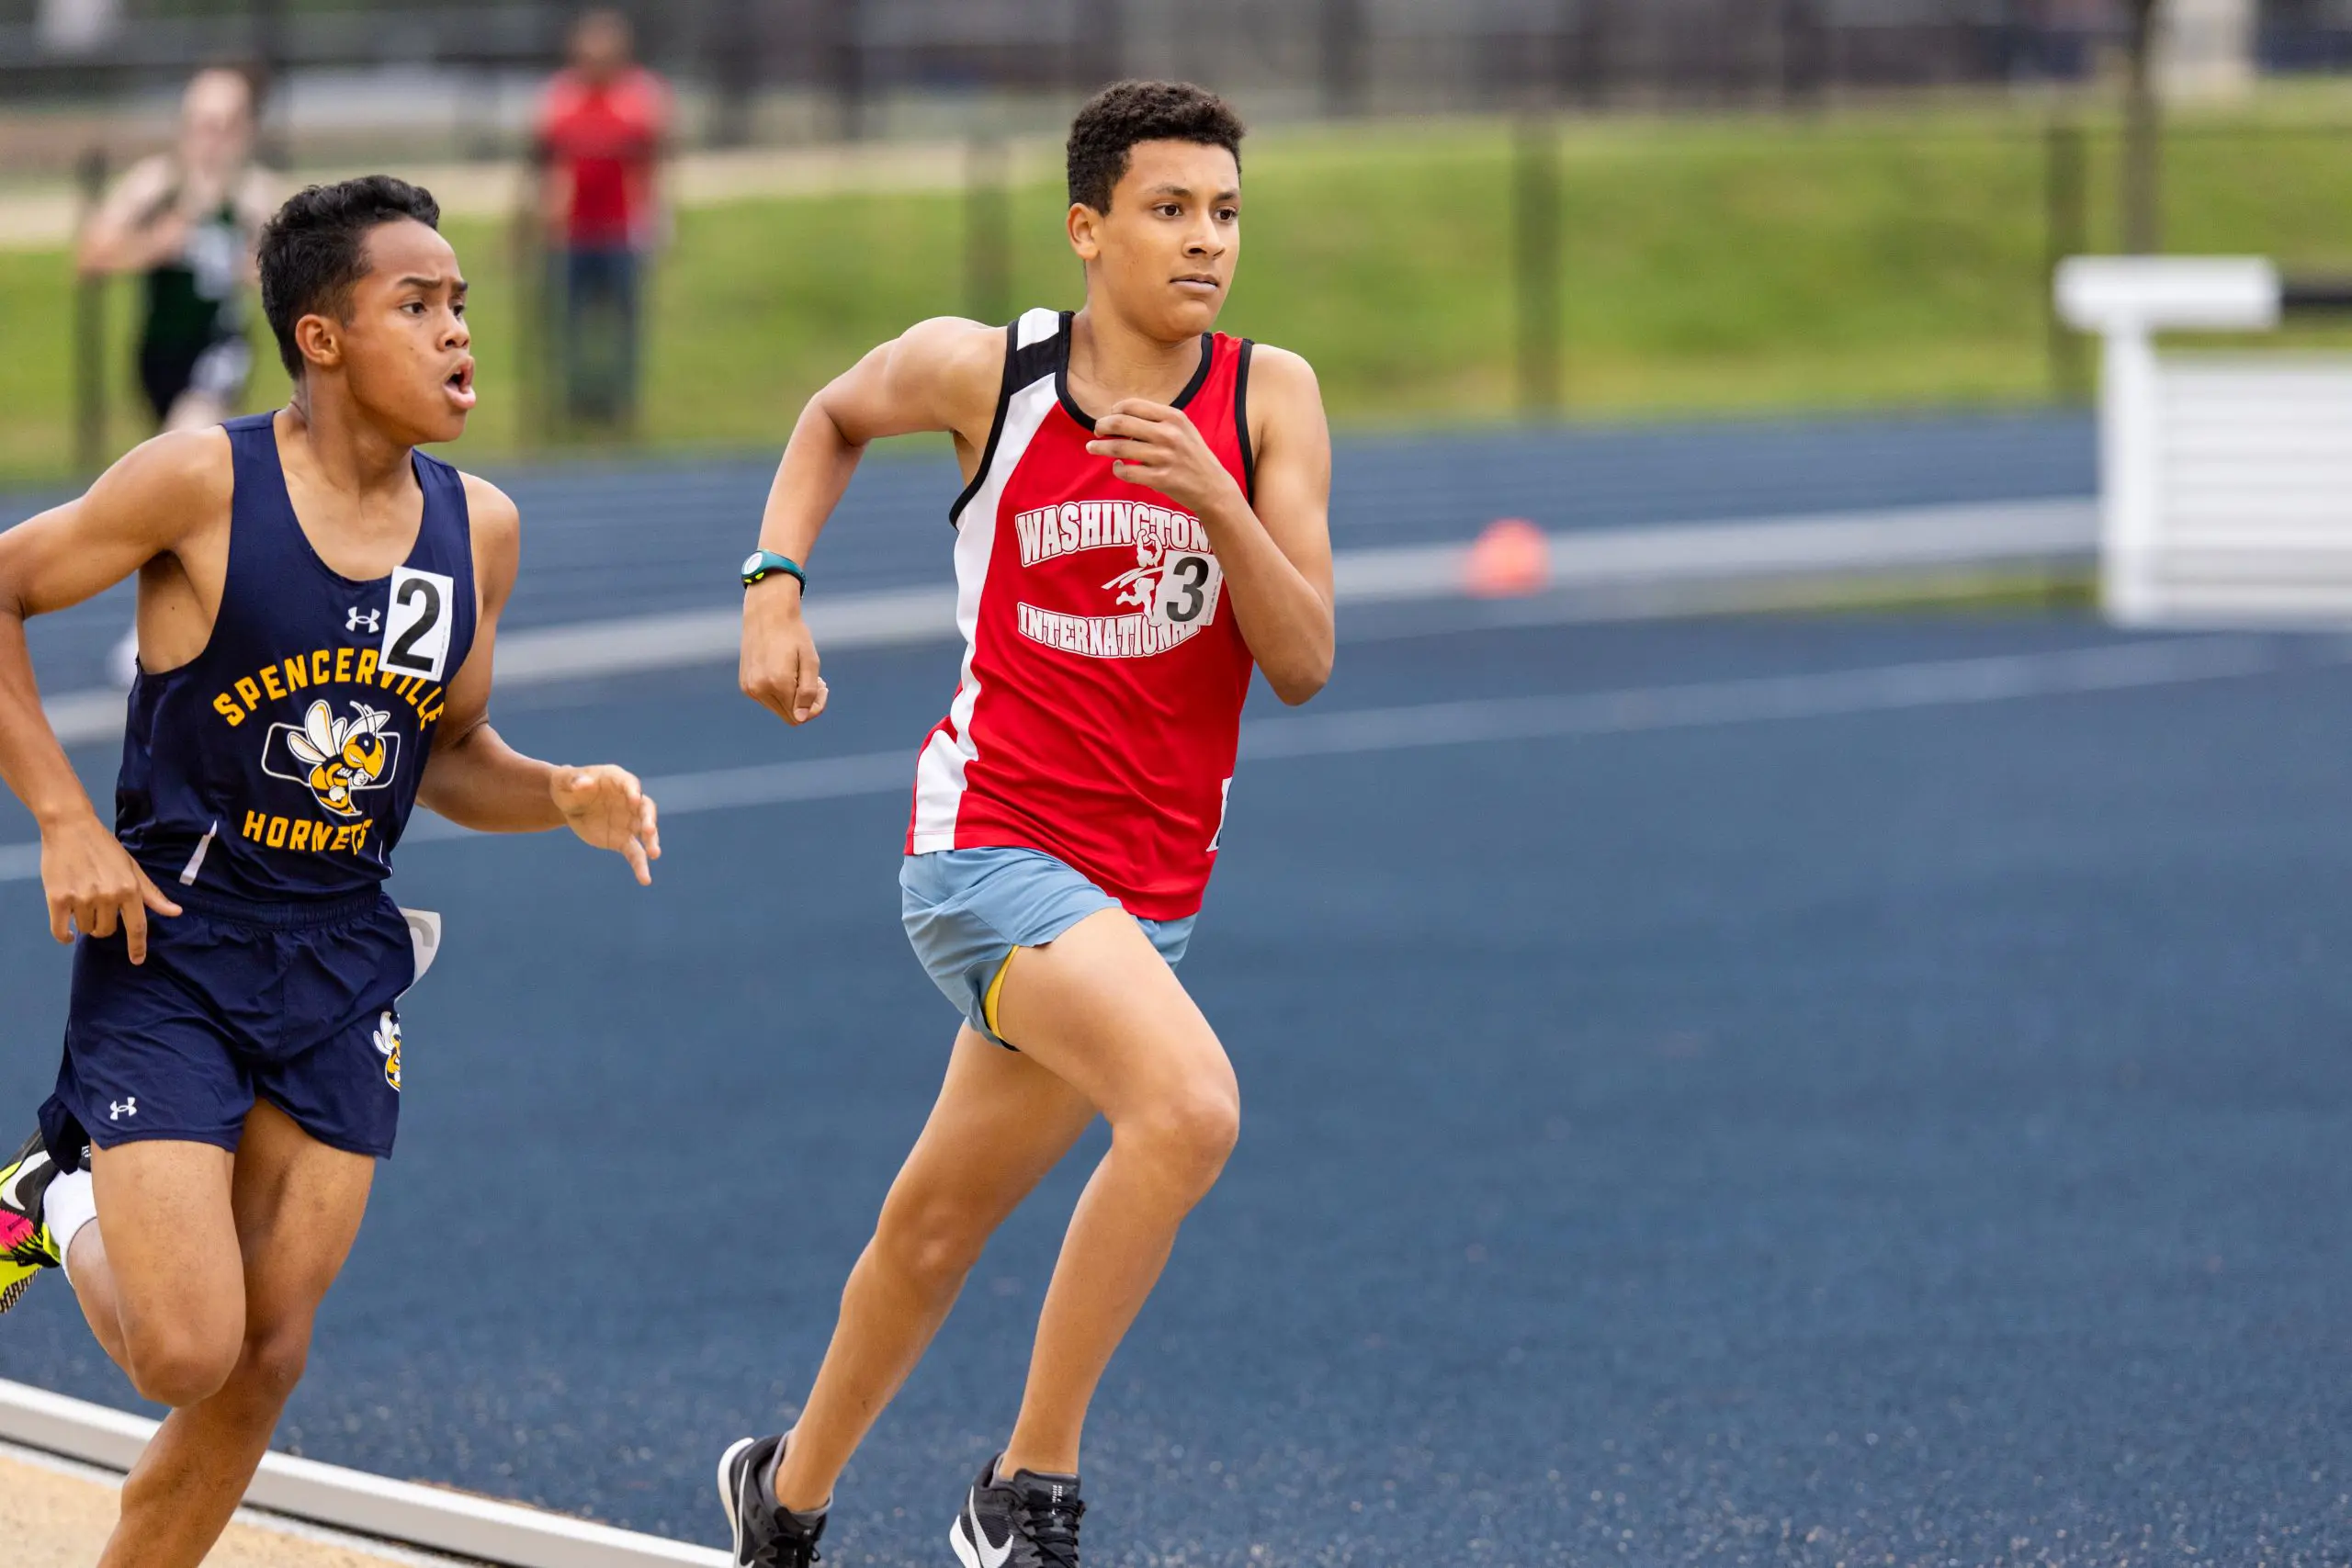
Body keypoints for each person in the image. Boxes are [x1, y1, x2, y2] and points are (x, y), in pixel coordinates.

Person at [0, 175, 661, 1568]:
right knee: (188, 1349)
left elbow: (451, 747)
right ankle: (55, 1198)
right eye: (415, 305)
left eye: (462, 304)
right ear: (321, 337)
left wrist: (562, 792)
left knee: (267, 1359)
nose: (458, 332)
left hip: (342, 955)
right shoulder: (202, 482)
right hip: (173, 942)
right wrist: (64, 815)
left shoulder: (477, 525)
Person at [724, 81, 1335, 1568]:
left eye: (1227, 213)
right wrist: (771, 582)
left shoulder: (1268, 398)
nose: (1206, 242)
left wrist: (1219, 499)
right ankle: (1026, 1487)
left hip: (1145, 891)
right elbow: (828, 415)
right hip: (987, 846)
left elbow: (1304, 658)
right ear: (1088, 228)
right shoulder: (986, 375)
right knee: (1188, 1108)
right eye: (1169, 209)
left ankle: (783, 1500)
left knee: (935, 1225)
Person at [78, 65, 279, 689]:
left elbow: (304, 273)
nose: (211, 138)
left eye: (224, 125)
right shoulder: (154, 187)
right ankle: (218, 614)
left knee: (175, 461)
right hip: (159, 356)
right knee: (201, 493)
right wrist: (153, 245)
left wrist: (262, 272)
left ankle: (151, 632)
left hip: (219, 352)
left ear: (245, 131)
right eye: (200, 124)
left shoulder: (255, 196)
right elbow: (90, 255)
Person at [535, 8, 670, 430]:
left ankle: (622, 405)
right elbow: (548, 166)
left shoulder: (641, 98)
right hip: (573, 233)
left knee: (624, 326)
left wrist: (660, 221)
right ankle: (575, 403)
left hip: (622, 233)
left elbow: (656, 165)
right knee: (570, 325)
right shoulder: (560, 99)